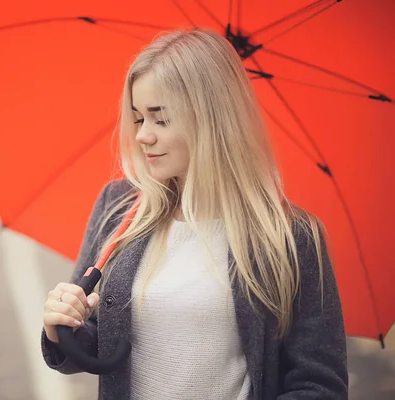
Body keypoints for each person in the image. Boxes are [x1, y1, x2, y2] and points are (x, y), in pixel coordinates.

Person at [40, 27, 348, 400]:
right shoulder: (119, 208)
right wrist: (63, 326)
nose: (142, 136)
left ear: (212, 118)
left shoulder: (290, 237)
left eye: (161, 119)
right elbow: (91, 346)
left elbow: (319, 385)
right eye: (138, 118)